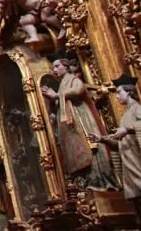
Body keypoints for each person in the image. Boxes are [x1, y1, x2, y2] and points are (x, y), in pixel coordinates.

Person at [40, 57, 116, 188]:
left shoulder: (73, 79)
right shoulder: (62, 83)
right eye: (53, 67)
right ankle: (86, 180)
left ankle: (100, 179)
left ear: (66, 66)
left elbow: (78, 90)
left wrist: (57, 95)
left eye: (57, 66)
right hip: (70, 125)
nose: (55, 70)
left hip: (80, 118)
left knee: (90, 145)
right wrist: (53, 99)